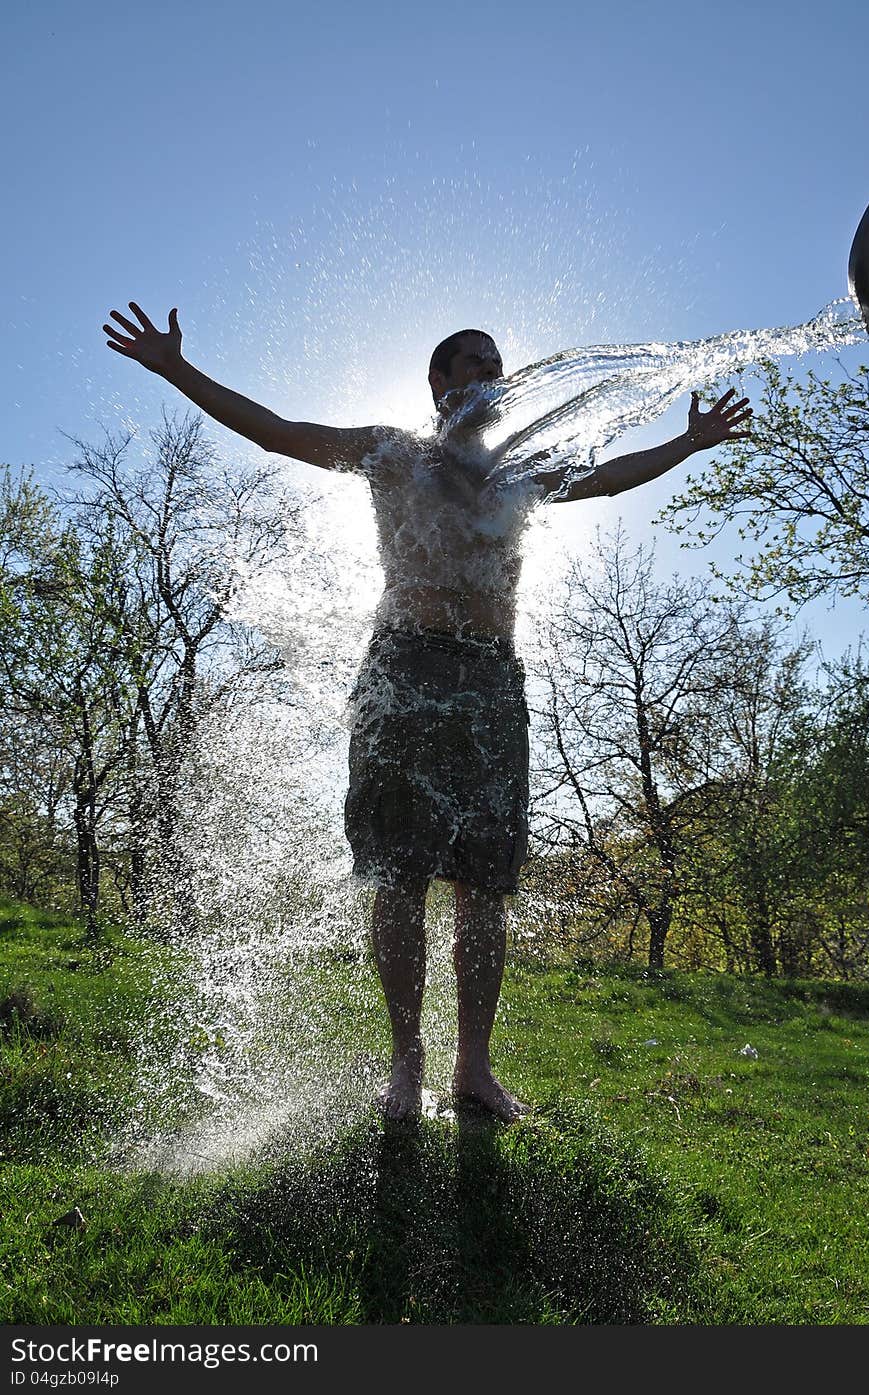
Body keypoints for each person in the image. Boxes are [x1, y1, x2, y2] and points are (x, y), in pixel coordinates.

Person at [102, 303, 751, 1122]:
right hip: (404, 671)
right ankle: (405, 1065)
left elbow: (611, 475)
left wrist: (688, 444)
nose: (489, 374)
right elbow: (276, 432)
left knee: (486, 883)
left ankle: (472, 1067)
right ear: (439, 383)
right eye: (473, 363)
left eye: (496, 365)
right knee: (400, 874)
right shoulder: (392, 455)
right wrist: (176, 369)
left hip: (490, 682)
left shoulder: (521, 472)